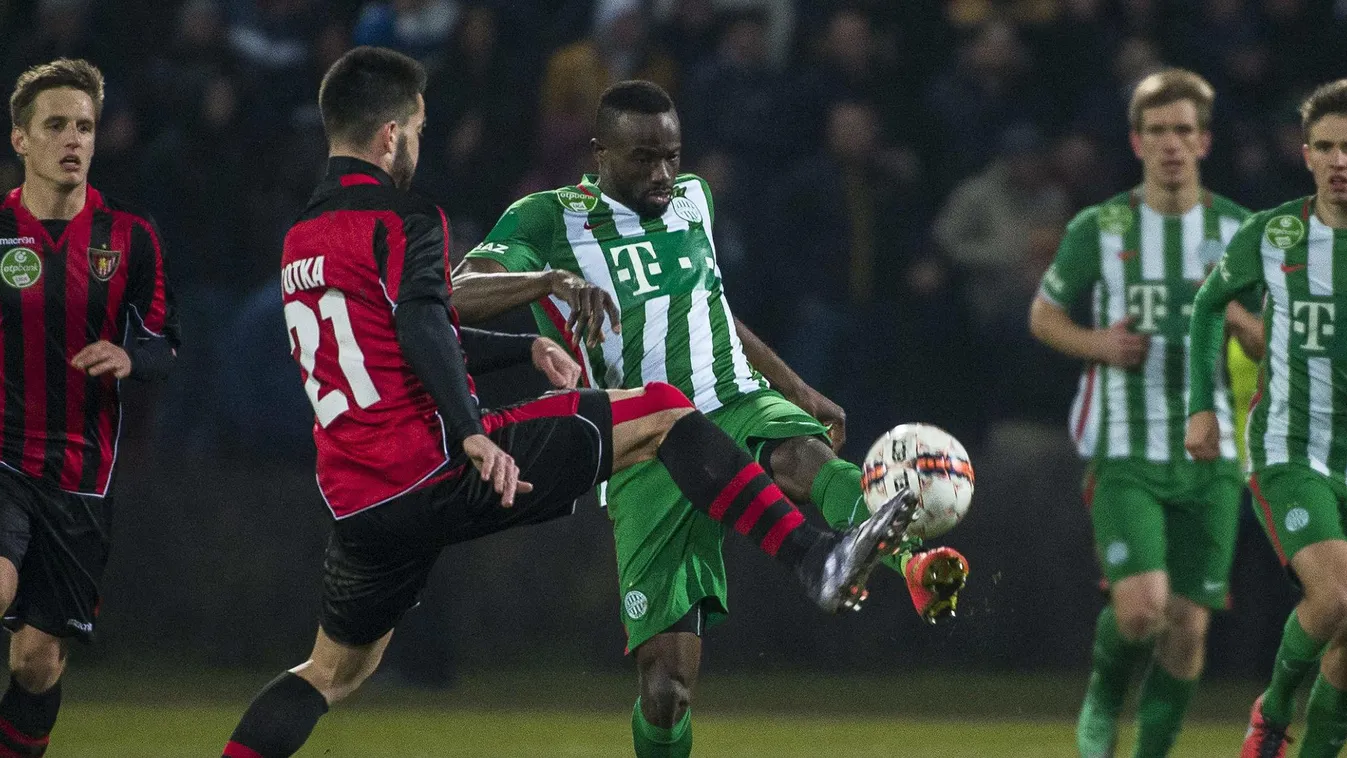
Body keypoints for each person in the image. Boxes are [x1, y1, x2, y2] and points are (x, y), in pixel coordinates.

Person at [219, 48, 914, 758]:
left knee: (329, 674)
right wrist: (470, 431)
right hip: (438, 464)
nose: (419, 145)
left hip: (357, 504)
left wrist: (519, 350)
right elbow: (428, 320)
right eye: (420, 129)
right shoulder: (405, 218)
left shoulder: (301, 239)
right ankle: (815, 559)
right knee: (668, 412)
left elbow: (397, 335)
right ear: (392, 135)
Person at [451, 79, 970, 758]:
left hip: (732, 397)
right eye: (643, 158)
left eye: (671, 154)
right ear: (599, 151)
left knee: (802, 459)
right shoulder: (548, 218)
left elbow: (711, 305)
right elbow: (456, 291)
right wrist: (548, 280)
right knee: (667, 689)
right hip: (641, 447)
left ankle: (906, 558)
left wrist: (797, 387)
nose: (662, 173)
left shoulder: (693, 198)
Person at [1028, 69, 1263, 758]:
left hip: (1211, 452)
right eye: (1156, 131)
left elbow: (1270, 331)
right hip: (1122, 443)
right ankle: (1103, 699)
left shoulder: (1238, 230)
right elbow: (1043, 315)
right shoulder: (1098, 227)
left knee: (1187, 628)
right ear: (1136, 141)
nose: (1170, 145)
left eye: (1182, 131)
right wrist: (1096, 342)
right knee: (1140, 612)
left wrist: (1247, 326)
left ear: (1204, 141)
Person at [0, 58, 178, 757]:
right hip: (3, 456)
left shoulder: (131, 238)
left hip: (80, 478)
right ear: (21, 140)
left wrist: (134, 357)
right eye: (55, 125)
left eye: (84, 126)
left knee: (36, 664)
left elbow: (166, 345)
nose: (72, 138)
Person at [1187, 78, 1347, 758]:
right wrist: (1202, 405)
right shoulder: (1273, 233)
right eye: (1326, 146)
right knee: (1336, 596)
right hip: (1291, 449)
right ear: (1305, 154)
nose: (1339, 160)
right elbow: (1203, 308)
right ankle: (1274, 712)